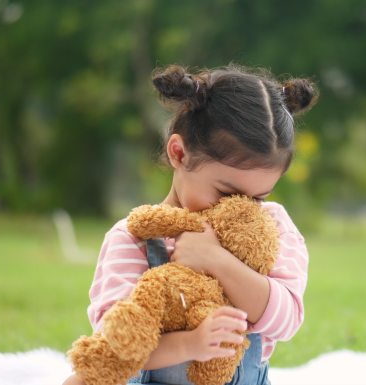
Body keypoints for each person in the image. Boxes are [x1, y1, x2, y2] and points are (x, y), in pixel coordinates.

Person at [63, 64, 317, 385]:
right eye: (226, 192)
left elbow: (287, 319)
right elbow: (117, 346)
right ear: (179, 153)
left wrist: (217, 261)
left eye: (258, 197)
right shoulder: (136, 238)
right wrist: (191, 344)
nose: (240, 207)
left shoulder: (273, 225)